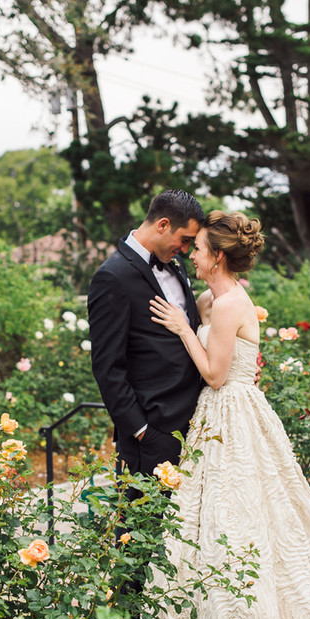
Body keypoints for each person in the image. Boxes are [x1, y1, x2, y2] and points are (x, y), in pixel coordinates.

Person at [147, 210, 310, 619]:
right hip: (215, 415)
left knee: (240, 514)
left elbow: (215, 374)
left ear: (218, 256)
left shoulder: (228, 305)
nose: (192, 255)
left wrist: (182, 329)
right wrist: (191, 322)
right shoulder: (212, 300)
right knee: (211, 515)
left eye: (199, 249)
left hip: (234, 413)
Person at [88, 189, 205, 481]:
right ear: (163, 225)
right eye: (185, 240)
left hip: (197, 423)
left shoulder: (175, 266)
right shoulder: (112, 277)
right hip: (155, 433)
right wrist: (142, 431)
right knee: (144, 511)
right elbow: (107, 367)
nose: (186, 250)